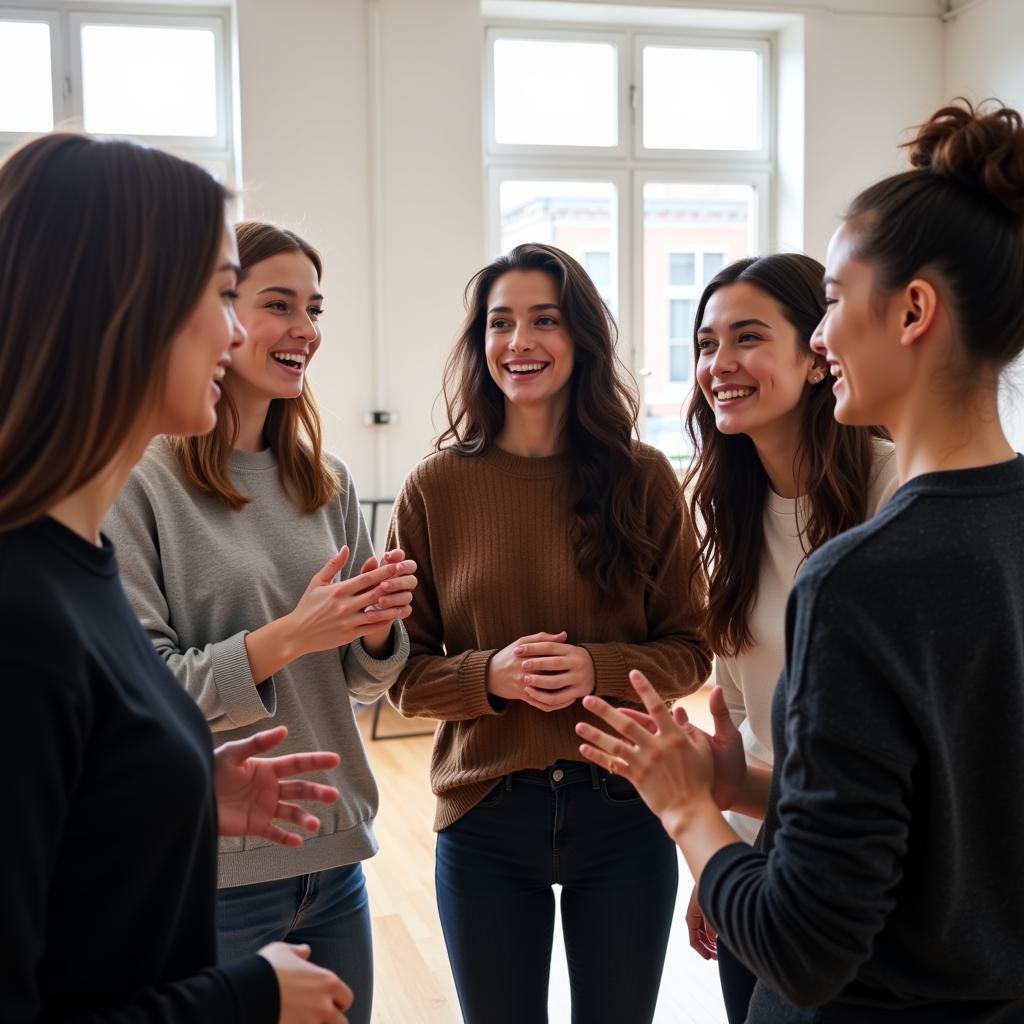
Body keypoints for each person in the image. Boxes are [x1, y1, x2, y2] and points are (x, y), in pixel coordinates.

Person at [577, 100, 1024, 1022]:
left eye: (828, 304)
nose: (823, 338)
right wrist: (731, 784)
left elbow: (804, 944)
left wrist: (688, 810)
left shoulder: (861, 576)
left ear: (911, 311)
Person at [0, 134, 358, 1021]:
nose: (239, 331)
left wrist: (180, 790)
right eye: (224, 294)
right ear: (124, 304)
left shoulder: (72, 565)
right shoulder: (20, 614)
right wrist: (247, 994)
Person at [386, 242, 712, 1024]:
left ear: (583, 341)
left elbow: (692, 648)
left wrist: (596, 667)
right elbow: (403, 676)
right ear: (480, 343)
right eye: (501, 323)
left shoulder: (642, 477)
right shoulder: (435, 488)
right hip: (485, 811)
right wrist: (488, 677)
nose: (519, 343)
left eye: (545, 321)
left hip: (626, 809)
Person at [106, 221, 414, 1024]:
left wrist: (376, 629)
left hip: (337, 857)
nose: (305, 330)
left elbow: (359, 681)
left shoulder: (326, 478)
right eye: (280, 304)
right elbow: (151, 692)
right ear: (220, 314)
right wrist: (293, 634)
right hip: (214, 875)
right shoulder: (143, 482)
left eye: (314, 308)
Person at [679, 253, 897, 1022]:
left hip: (871, 887)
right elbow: (751, 738)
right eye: (706, 344)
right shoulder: (728, 514)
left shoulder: (895, 492)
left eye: (747, 338)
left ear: (817, 356)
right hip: (767, 865)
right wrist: (720, 867)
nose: (720, 364)